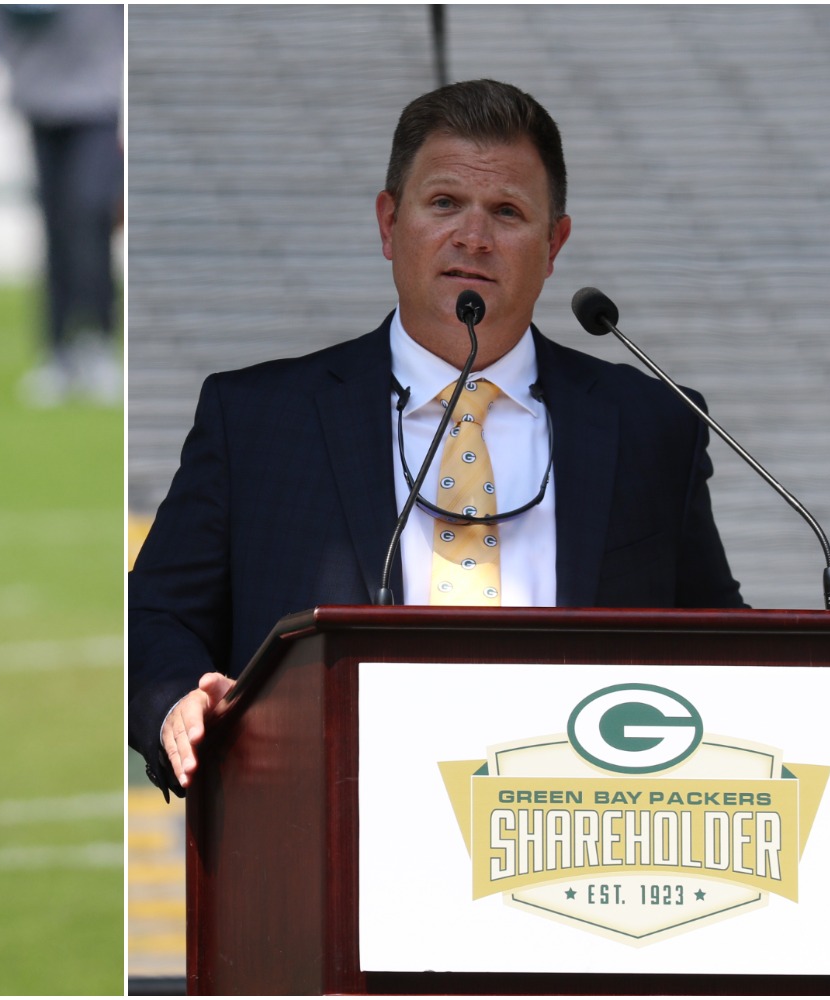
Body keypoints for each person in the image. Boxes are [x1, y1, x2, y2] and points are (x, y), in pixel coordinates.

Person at [127, 79, 745, 798]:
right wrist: (175, 700)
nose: (473, 237)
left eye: (507, 212)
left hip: (575, 833)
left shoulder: (651, 424)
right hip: (327, 828)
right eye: (445, 204)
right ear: (389, 224)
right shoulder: (258, 418)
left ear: (554, 244)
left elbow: (722, 639)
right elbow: (156, 613)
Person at [0, 4, 124, 406]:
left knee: (89, 215)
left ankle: (97, 341)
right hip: (39, 92)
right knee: (55, 227)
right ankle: (57, 350)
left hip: (98, 95)